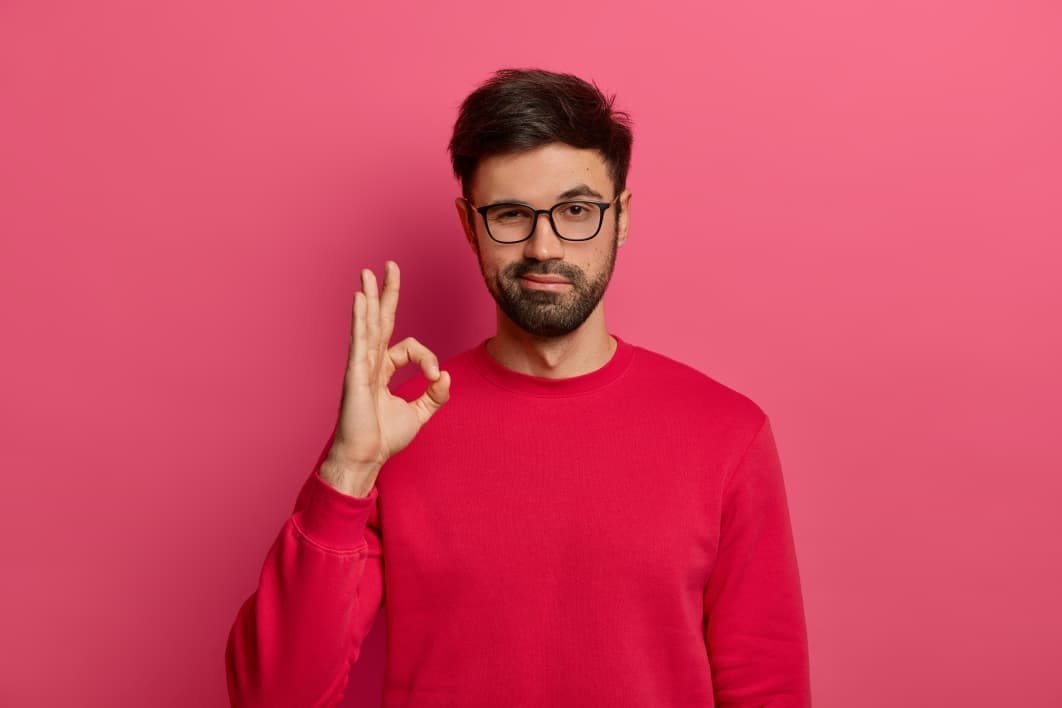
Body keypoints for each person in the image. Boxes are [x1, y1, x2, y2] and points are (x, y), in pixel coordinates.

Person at [225, 68, 811, 707]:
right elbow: (273, 696)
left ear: (621, 219)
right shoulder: (392, 434)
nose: (543, 247)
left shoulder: (727, 433)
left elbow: (767, 690)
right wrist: (348, 471)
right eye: (510, 214)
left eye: (577, 211)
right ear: (469, 225)